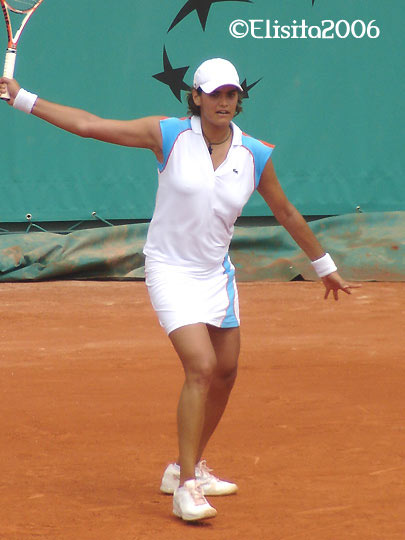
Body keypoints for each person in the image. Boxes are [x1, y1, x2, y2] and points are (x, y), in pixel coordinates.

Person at [0, 58, 357, 522]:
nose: (224, 102)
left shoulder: (255, 154)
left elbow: (287, 212)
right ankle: (186, 488)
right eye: (215, 94)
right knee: (201, 366)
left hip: (216, 275)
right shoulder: (168, 135)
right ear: (197, 97)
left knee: (226, 372)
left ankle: (185, 467)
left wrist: (323, 264)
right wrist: (23, 98)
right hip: (169, 268)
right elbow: (90, 126)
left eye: (231, 95)